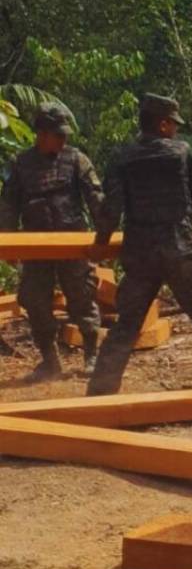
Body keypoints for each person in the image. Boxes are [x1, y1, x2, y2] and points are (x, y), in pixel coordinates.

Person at [87, 94, 192, 394]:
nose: (175, 130)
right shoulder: (182, 152)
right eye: (173, 124)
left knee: (127, 323)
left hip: (140, 250)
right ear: (162, 124)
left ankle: (101, 389)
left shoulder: (122, 156)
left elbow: (112, 208)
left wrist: (101, 245)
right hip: (179, 247)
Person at [0, 103, 103, 381]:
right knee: (33, 299)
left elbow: (96, 199)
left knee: (82, 296)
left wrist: (104, 237)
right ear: (42, 134)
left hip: (73, 242)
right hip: (36, 246)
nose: (63, 139)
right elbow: (8, 206)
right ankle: (50, 362)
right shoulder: (20, 165)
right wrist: (7, 241)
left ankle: (92, 356)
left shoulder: (76, 160)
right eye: (58, 134)